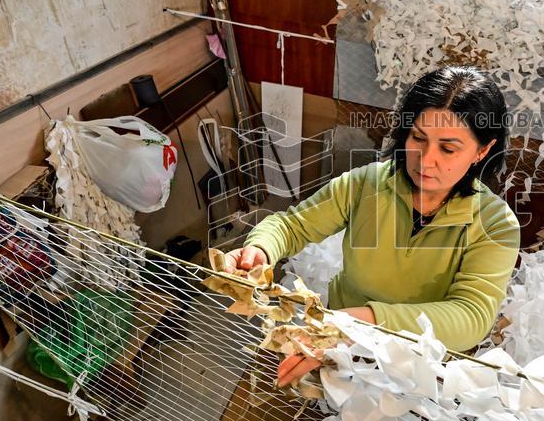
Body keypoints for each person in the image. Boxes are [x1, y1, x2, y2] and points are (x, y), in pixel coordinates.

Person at [223, 67, 521, 383]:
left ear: (482, 150)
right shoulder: (366, 185)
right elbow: (292, 226)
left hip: (418, 366)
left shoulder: (495, 225)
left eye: (448, 148)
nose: (425, 160)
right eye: (418, 137)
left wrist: (363, 323)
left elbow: (471, 316)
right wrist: (260, 249)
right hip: (337, 345)